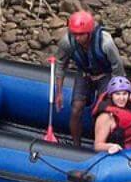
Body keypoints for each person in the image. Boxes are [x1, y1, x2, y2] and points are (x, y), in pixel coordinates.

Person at [53, 10, 125, 146]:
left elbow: (117, 67)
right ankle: (76, 145)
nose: (77, 38)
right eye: (75, 34)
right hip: (84, 73)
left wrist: (115, 92)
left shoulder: (106, 43)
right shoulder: (67, 42)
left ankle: (100, 143)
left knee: (102, 110)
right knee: (76, 108)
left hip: (105, 74)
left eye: (81, 35)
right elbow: (60, 65)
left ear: (89, 32)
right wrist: (59, 92)